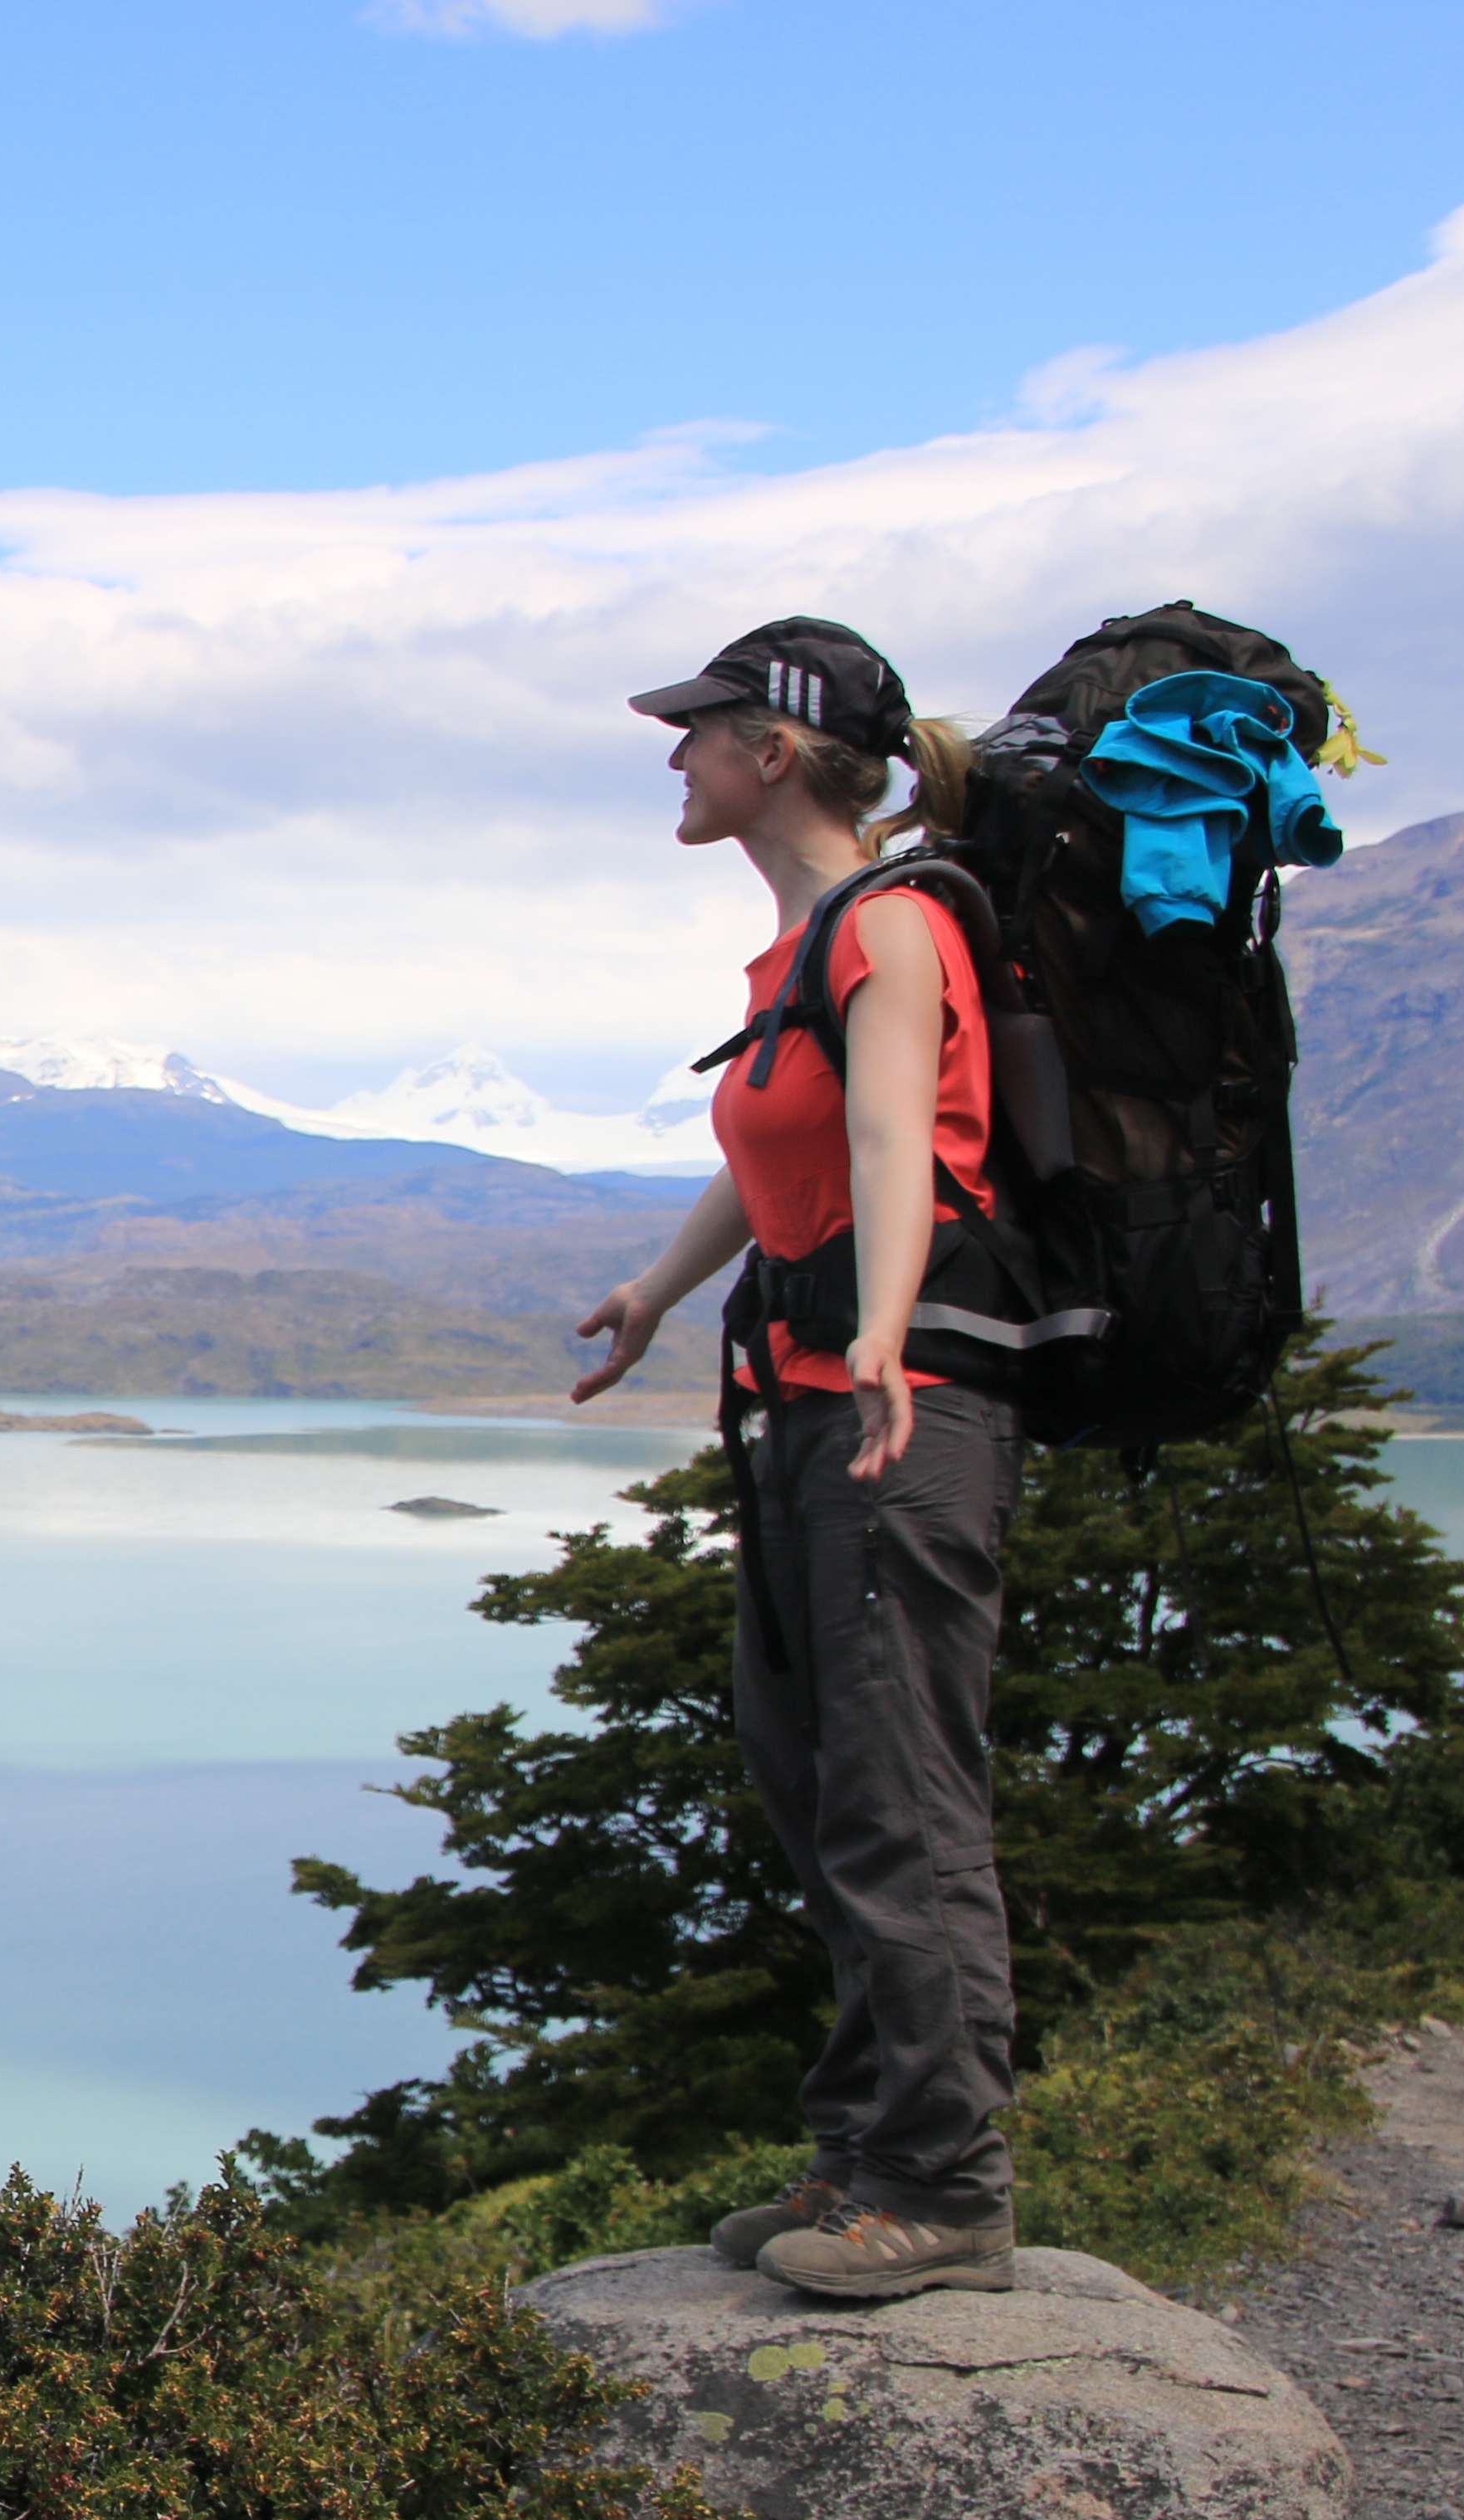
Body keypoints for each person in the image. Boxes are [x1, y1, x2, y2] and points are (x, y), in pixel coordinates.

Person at [566, 617, 1022, 2299]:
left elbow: (901, 1135)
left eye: (698, 733)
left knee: (903, 1798)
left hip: (898, 1413)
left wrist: (892, 1330)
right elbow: (785, 1143)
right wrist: (658, 1295)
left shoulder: (894, 928)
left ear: (775, 751)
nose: (674, 759)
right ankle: (860, 2159)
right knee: (818, 1779)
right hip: (805, 1399)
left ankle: (947, 2190)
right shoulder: (803, 954)